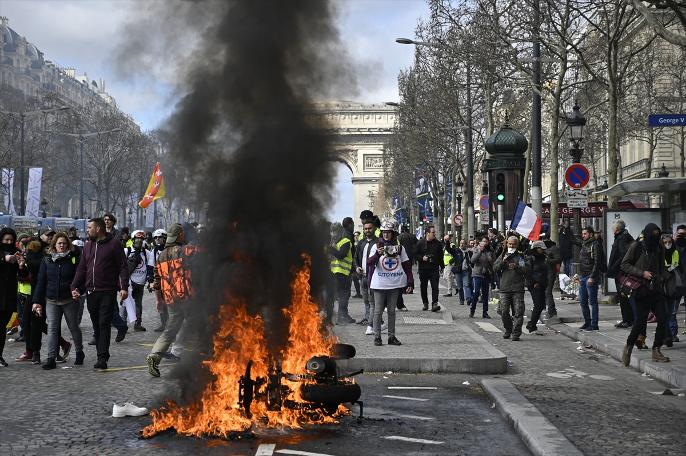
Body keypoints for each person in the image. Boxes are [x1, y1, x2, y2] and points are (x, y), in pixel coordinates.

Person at [71, 218, 128, 370]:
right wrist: (74, 286)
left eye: (90, 227)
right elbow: (82, 269)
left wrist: (124, 287)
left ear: (98, 229)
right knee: (96, 324)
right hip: (91, 292)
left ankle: (102, 357)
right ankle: (100, 352)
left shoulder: (114, 244)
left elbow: (122, 266)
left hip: (107, 291)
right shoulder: (88, 245)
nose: (87, 230)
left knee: (104, 323)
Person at [146, 223, 196, 377]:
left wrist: (158, 299)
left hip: (171, 299)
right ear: (180, 235)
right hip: (187, 297)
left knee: (170, 330)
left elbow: (157, 280)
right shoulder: (185, 250)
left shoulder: (161, 255)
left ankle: (155, 354)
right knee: (201, 326)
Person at [621, 223, 671, 366]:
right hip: (641, 290)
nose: (655, 238)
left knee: (663, 317)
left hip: (656, 290)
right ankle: (628, 347)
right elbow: (624, 264)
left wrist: (663, 277)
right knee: (640, 321)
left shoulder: (659, 248)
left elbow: (662, 267)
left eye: (658, 235)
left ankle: (656, 349)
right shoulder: (636, 247)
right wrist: (642, 273)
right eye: (653, 235)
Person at [32, 233, 83, 369]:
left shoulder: (73, 258)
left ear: (68, 245)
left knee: (73, 327)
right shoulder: (47, 260)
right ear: (54, 244)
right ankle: (51, 358)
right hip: (51, 300)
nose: (62, 245)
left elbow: (80, 278)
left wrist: (78, 290)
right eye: (59, 243)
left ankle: (79, 352)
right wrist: (36, 301)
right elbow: (41, 281)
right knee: (52, 328)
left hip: (69, 300)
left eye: (64, 243)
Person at [366, 219, 413, 346]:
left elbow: (407, 265)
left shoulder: (399, 248)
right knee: (378, 310)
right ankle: (377, 337)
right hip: (379, 284)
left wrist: (410, 282)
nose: (386, 234)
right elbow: (369, 263)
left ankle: (391, 337)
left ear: (393, 233)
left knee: (392, 311)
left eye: (388, 232)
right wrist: (377, 254)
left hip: (394, 284)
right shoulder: (376, 246)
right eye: (384, 232)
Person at [0, 228, 28, 367]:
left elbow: (22, 276)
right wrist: (3, 259)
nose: (9, 242)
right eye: (6, 240)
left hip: (9, 297)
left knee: (2, 328)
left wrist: (22, 266)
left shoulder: (15, 254)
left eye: (11, 240)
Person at [494, 236, 528, 340]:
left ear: (517, 245)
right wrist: (503, 261)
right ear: (507, 244)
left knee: (518, 311)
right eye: (510, 244)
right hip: (505, 288)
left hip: (517, 288)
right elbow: (495, 268)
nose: (511, 246)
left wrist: (516, 267)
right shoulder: (503, 255)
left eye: (514, 244)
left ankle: (516, 333)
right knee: (504, 311)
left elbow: (525, 270)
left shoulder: (520, 256)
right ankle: (508, 329)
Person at [124, 230, 155, 332]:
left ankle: (138, 323)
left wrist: (150, 281)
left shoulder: (147, 253)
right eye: (137, 238)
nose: (139, 240)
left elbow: (150, 267)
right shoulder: (126, 251)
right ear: (133, 239)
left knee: (138, 303)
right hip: (128, 283)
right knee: (126, 303)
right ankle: (123, 324)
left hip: (140, 283)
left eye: (141, 239)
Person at [607, 220, 635, 328]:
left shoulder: (622, 238)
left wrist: (614, 268)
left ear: (617, 230)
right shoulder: (623, 237)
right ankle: (628, 320)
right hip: (621, 271)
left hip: (621, 272)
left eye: (613, 228)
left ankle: (628, 320)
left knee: (624, 296)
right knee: (624, 296)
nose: (612, 230)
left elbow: (622, 255)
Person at [327, 221, 355, 325]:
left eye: (335, 232)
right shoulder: (333, 243)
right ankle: (330, 318)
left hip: (343, 274)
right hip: (333, 273)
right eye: (332, 232)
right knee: (331, 297)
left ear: (340, 231)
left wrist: (330, 249)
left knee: (343, 296)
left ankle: (342, 317)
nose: (333, 234)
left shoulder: (346, 241)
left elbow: (341, 255)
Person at [354, 219, 378, 334]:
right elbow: (355, 258)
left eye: (370, 228)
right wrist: (357, 267)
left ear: (374, 229)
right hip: (362, 277)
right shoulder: (361, 243)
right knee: (366, 301)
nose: (368, 230)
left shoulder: (378, 242)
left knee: (373, 302)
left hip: (373, 277)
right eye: (366, 229)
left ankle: (371, 324)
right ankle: (371, 319)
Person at [578, 226, 602, 331]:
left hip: (590, 276)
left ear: (591, 234)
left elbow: (597, 262)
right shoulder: (584, 244)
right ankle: (587, 322)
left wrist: (592, 276)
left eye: (585, 234)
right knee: (583, 301)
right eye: (582, 234)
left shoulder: (595, 245)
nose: (583, 236)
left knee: (592, 301)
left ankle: (594, 324)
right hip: (583, 276)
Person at [415, 225, 442, 312]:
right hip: (423, 269)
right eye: (433, 232)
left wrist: (442, 266)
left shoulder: (438, 243)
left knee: (435, 287)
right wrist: (422, 258)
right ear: (427, 233)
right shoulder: (420, 243)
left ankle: (435, 303)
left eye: (434, 232)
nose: (434, 234)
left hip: (434, 268)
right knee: (423, 287)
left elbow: (440, 256)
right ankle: (425, 303)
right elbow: (415, 255)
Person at [662, 233, 682, 345]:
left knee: (672, 311)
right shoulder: (659, 252)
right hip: (662, 283)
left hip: (673, 282)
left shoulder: (675, 251)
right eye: (665, 243)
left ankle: (672, 334)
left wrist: (669, 268)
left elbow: (676, 264)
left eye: (669, 242)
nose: (668, 244)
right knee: (664, 312)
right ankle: (667, 334)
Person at [526, 240, 548, 334]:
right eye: (540, 249)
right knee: (538, 305)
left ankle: (532, 324)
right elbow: (528, 271)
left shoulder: (543, 257)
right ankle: (532, 324)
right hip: (534, 284)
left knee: (541, 305)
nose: (542, 250)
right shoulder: (530, 258)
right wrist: (534, 282)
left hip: (542, 283)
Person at [469, 237, 494, 318]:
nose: (485, 243)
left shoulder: (490, 250)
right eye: (483, 241)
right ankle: (472, 310)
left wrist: (490, 259)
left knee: (485, 294)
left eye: (486, 241)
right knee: (476, 293)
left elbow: (493, 262)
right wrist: (480, 251)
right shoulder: (476, 249)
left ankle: (485, 312)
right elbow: (472, 260)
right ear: (480, 243)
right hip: (477, 274)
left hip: (486, 274)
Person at [151, 229, 168, 332]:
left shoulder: (170, 249)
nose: (157, 239)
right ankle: (163, 323)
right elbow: (151, 265)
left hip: (169, 280)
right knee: (160, 303)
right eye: (156, 237)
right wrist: (151, 280)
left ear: (165, 238)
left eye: (160, 237)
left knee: (170, 302)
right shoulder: (154, 251)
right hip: (158, 279)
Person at [541, 234, 561, 318]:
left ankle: (551, 311)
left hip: (550, 272)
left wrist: (548, 260)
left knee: (548, 292)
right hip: (543, 272)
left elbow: (558, 259)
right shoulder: (542, 248)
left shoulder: (554, 248)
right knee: (544, 292)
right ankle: (546, 309)